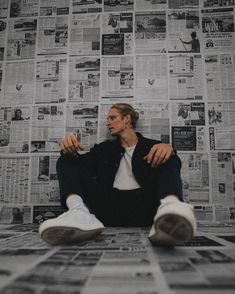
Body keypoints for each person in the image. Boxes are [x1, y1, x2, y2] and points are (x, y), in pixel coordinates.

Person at [39, 103, 196, 246]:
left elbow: (167, 165)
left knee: (167, 154)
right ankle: (78, 212)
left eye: (112, 118)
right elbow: (77, 166)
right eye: (108, 119)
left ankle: (170, 211)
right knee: (66, 160)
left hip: (145, 208)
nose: (108, 123)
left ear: (127, 119)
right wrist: (68, 149)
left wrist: (168, 149)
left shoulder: (151, 146)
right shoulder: (103, 149)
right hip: (106, 208)